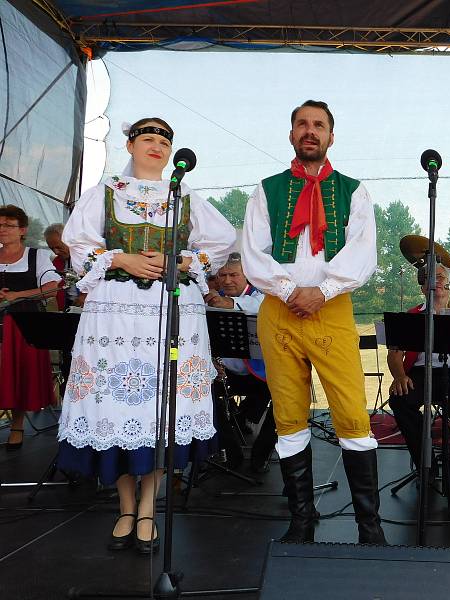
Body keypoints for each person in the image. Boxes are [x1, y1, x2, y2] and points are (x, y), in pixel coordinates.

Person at [57, 118, 236, 553]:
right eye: (147, 139)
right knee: (113, 406)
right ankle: (123, 505)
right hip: (114, 318)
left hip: (172, 314)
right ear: (130, 145)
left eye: (163, 141)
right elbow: (78, 246)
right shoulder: (106, 191)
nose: (156, 146)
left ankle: (149, 508)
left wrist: (188, 262)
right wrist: (121, 258)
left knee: (163, 409)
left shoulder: (185, 196)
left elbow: (222, 241)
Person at [242, 100, 385, 544]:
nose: (310, 131)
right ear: (291, 134)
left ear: (330, 136)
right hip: (278, 311)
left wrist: (320, 291)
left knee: (351, 412)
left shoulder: (354, 191)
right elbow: (252, 252)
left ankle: (370, 527)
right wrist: (288, 291)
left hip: (333, 309)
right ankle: (301, 520)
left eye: (318, 125)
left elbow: (362, 253)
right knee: (287, 414)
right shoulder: (266, 190)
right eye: (302, 124)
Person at [204, 252, 277, 473]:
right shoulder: (209, 301)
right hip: (225, 373)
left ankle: (261, 454)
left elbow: (254, 306)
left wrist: (225, 303)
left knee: (285, 394)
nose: (227, 280)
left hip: (261, 373)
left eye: (233, 275)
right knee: (204, 393)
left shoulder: (262, 297)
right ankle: (230, 451)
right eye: (222, 275)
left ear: (247, 276)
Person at [387, 262, 450, 476]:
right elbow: (394, 354)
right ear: (422, 287)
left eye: (440, 277)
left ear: (448, 283)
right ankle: (424, 463)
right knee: (399, 400)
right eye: (430, 278)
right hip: (421, 373)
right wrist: (399, 376)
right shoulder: (412, 315)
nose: (435, 282)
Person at [0, 205, 61, 449]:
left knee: (18, 375)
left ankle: (17, 426)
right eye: (0, 225)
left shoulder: (37, 256)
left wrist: (16, 295)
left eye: (8, 225)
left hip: (22, 325)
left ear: (22, 230)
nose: (2, 230)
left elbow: (52, 286)